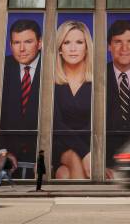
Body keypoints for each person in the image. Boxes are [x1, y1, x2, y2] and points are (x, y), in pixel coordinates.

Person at [1, 19, 42, 178]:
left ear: (39, 43)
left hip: (42, 159)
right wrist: (2, 151)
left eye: (28, 42)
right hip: (10, 160)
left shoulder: (54, 66)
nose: (22, 49)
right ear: (10, 45)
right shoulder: (3, 67)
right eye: (17, 42)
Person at [52, 20, 93, 179]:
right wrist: (84, 153)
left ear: (86, 47)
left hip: (89, 146)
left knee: (64, 174)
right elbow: (56, 124)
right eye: (67, 42)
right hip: (60, 145)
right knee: (75, 158)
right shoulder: (52, 81)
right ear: (60, 48)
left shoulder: (97, 81)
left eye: (79, 42)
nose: (73, 48)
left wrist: (88, 151)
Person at [105, 20, 130, 179]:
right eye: (118, 42)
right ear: (109, 46)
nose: (124, 48)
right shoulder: (96, 74)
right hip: (105, 165)